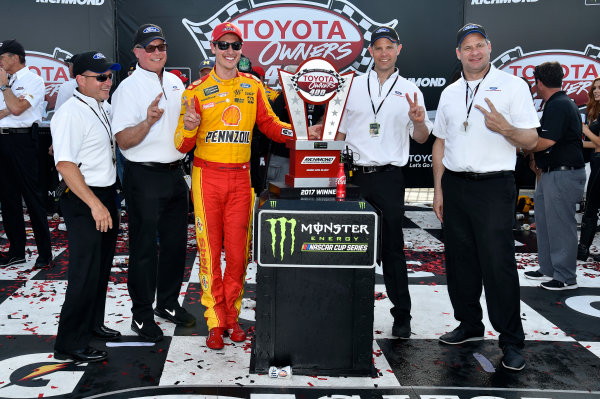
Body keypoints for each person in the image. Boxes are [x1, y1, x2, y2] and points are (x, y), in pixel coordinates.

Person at [175, 22, 321, 350]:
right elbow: (181, 146)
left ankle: (233, 316)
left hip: (242, 179)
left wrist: (301, 133)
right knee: (210, 252)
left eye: (235, 45)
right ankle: (214, 320)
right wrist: (187, 128)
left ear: (240, 50)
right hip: (207, 177)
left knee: (240, 253)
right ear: (212, 48)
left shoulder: (253, 87)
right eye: (223, 45)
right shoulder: (194, 91)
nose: (229, 51)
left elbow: (269, 125)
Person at [432, 23, 539, 371]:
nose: (474, 51)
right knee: (460, 262)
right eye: (467, 47)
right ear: (458, 54)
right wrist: (438, 188)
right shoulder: (449, 92)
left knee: (498, 265)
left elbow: (531, 141)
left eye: (480, 45)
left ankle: (511, 341)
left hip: (494, 187)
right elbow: (440, 142)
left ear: (489, 48)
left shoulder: (513, 86)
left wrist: (504, 128)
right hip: (456, 186)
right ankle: (469, 324)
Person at [335, 26, 432, 339]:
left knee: (393, 251)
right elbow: (339, 132)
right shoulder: (352, 85)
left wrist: (418, 122)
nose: (384, 53)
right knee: (349, 249)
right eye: (378, 48)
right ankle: (348, 310)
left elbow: (422, 137)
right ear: (371, 52)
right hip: (355, 178)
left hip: (390, 178)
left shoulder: (410, 89)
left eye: (389, 47)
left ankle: (401, 315)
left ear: (398, 49)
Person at [111, 23, 195, 342]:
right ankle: (141, 315)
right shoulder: (128, 89)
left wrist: (192, 122)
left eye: (161, 47)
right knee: (144, 250)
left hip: (175, 174)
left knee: (175, 246)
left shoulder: (175, 82)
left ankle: (168, 304)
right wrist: (148, 121)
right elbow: (123, 141)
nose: (157, 53)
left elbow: (186, 126)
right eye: (150, 48)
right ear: (137, 52)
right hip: (143, 176)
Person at [51, 51, 122, 362]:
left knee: (100, 267)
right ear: (80, 80)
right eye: (101, 77)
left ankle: (92, 324)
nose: (108, 81)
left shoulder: (102, 106)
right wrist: (94, 204)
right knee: (83, 270)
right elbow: (65, 165)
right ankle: (69, 342)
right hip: (83, 198)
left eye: (109, 75)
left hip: (104, 194)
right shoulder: (69, 113)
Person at [524, 62, 586, 289]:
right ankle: (549, 268)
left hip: (563, 174)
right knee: (545, 222)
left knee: (561, 225)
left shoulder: (559, 105)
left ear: (539, 82)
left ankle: (566, 277)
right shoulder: (558, 103)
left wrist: (521, 142)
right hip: (552, 173)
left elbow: (546, 142)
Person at [0, 39, 53, 269]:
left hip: (24, 140)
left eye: (1, 57)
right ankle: (16, 251)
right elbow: (10, 108)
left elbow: (19, 109)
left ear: (14, 57)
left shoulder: (33, 80)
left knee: (32, 197)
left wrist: (5, 88)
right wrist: (9, 106)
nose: (0, 62)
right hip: (2, 140)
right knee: (8, 197)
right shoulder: (5, 80)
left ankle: (45, 252)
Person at [577, 76, 600, 260]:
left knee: (591, 206)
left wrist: (584, 130)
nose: (596, 91)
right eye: (594, 88)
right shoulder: (596, 111)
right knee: (591, 206)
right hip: (595, 161)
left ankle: (583, 250)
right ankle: (583, 249)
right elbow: (595, 144)